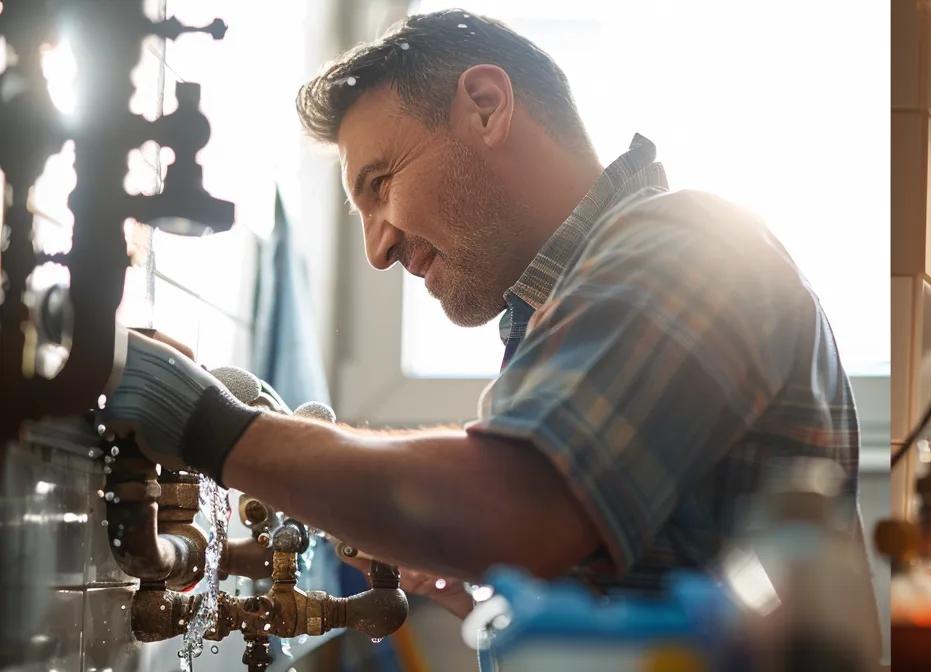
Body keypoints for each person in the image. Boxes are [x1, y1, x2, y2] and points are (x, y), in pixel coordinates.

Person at [99, 9, 873, 624]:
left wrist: (203, 420)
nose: (377, 249)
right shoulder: (570, 308)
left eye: (380, 183)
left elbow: (515, 506)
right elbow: (604, 581)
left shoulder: (684, 246)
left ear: (485, 106)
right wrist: (462, 570)